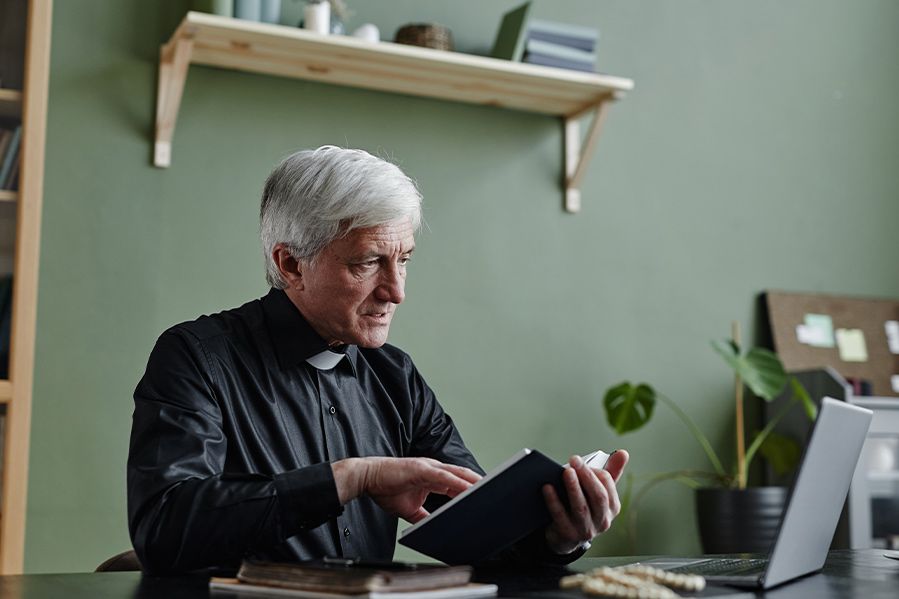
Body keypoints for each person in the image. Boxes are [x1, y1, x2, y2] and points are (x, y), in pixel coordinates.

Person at [127, 146, 629, 575]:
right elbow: (165, 528)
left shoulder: (396, 377)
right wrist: (352, 478)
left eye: (404, 259)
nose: (395, 291)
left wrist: (561, 536)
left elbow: (482, 529)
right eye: (368, 262)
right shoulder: (197, 357)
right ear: (290, 264)